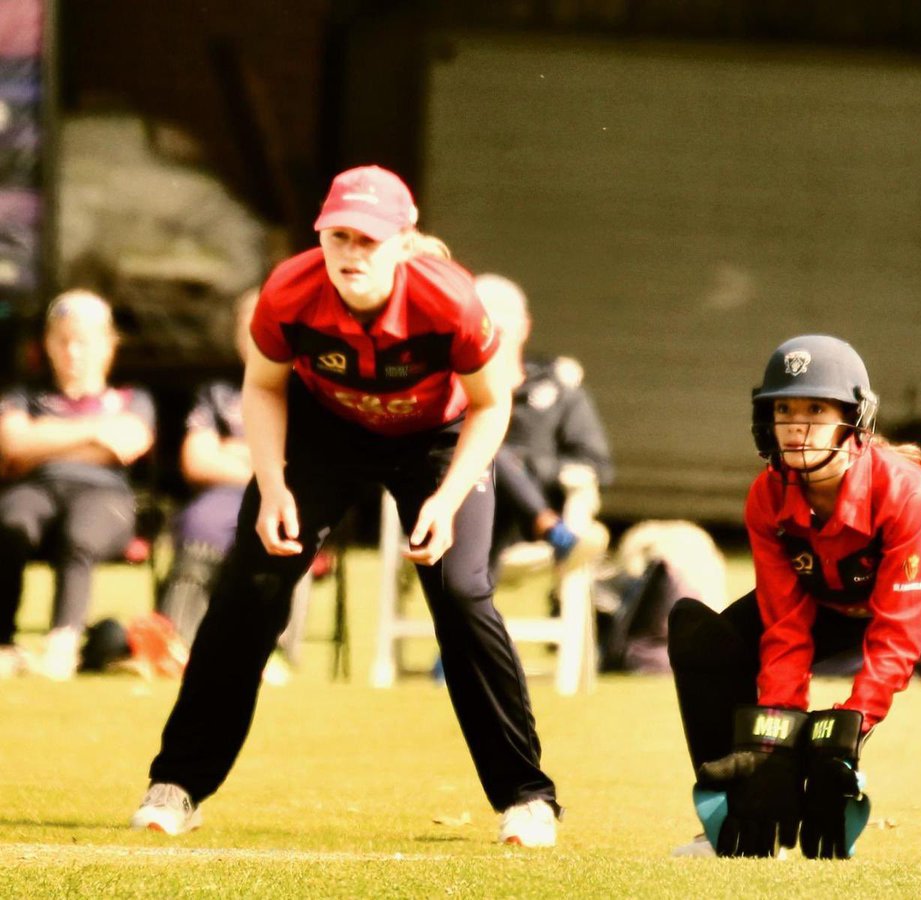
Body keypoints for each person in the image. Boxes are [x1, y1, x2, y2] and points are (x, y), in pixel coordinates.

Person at [130, 165, 560, 847]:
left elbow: (490, 404)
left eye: (368, 239)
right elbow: (265, 388)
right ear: (321, 236)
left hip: (435, 439)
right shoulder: (290, 291)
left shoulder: (449, 300)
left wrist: (447, 501)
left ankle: (527, 799)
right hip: (325, 431)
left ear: (402, 242)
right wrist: (272, 486)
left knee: (461, 593)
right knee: (252, 587)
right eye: (339, 236)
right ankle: (177, 785)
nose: (352, 253)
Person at [668, 334, 921, 866]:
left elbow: (898, 631)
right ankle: (736, 827)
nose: (797, 426)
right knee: (707, 640)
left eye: (816, 409)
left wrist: (847, 728)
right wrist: (776, 738)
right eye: (783, 409)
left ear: (855, 417)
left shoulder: (902, 490)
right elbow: (785, 630)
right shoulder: (766, 497)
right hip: (841, 589)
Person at [0, 290, 156, 680]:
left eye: (83, 341)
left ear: (108, 346)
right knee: (11, 522)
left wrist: (45, 439)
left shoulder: (133, 398)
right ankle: (3, 644)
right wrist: (96, 435)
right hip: (35, 491)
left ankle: (62, 644)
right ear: (48, 345)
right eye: (62, 340)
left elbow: (128, 443)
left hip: (105, 497)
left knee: (80, 534)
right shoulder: (24, 396)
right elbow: (13, 445)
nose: (73, 352)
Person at [156, 288, 302, 684]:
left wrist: (238, 453)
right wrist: (264, 460)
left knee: (279, 539)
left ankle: (270, 654)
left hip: (291, 504)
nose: (255, 336)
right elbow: (197, 460)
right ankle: (177, 648)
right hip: (220, 500)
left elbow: (303, 467)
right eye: (247, 327)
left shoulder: (306, 395)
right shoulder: (216, 394)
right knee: (198, 526)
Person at [472, 273, 613, 573]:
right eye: (481, 332)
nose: (491, 343)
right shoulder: (450, 390)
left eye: (500, 331)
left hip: (532, 516)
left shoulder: (557, 389)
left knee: (493, 455)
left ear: (524, 328)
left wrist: (531, 465)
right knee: (484, 451)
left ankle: (546, 525)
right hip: (465, 509)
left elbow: (596, 464)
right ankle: (553, 531)